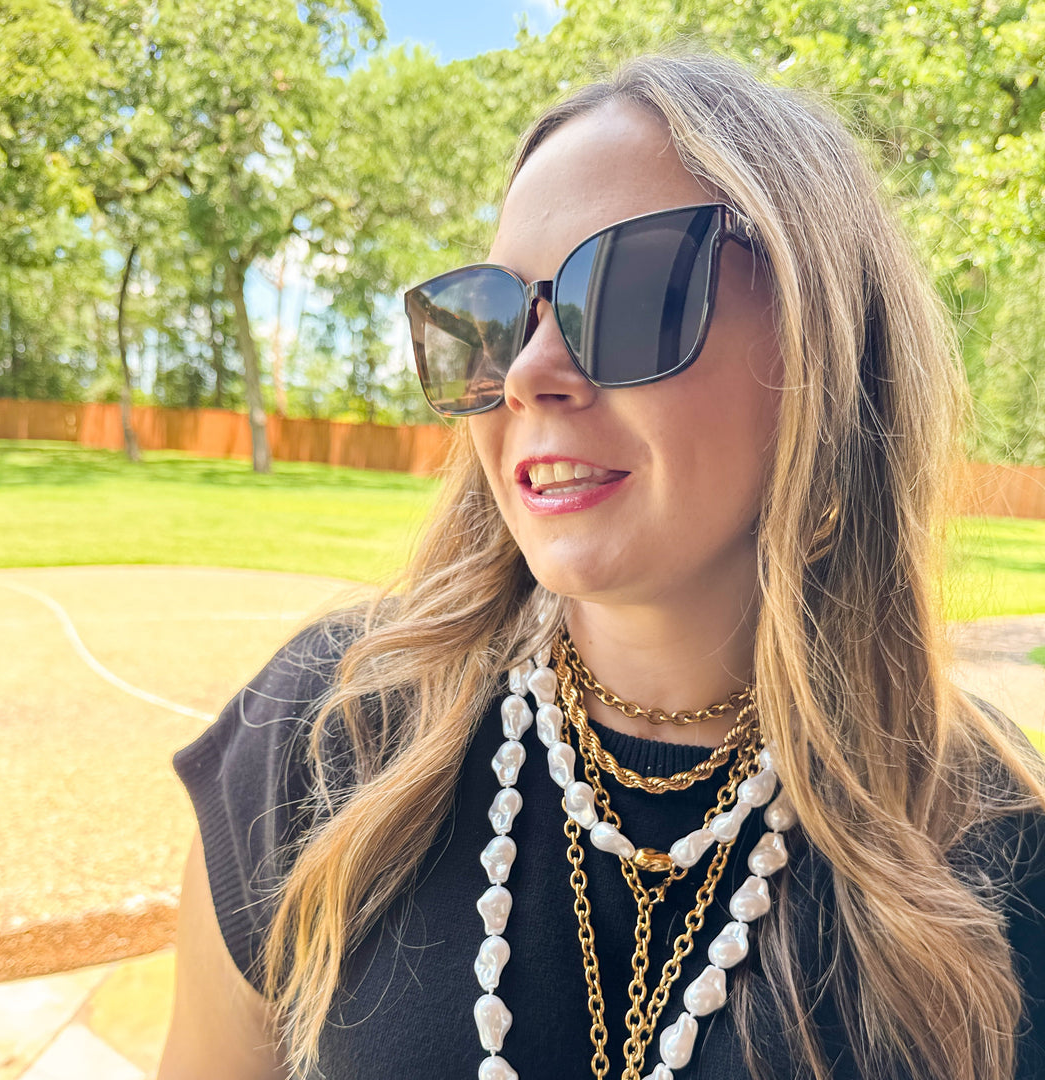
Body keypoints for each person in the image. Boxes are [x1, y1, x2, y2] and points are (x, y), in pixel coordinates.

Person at [158, 52, 1045, 1080]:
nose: (530, 373)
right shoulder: (326, 737)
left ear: (822, 349)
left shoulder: (1001, 860)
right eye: (490, 320)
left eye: (624, 294)